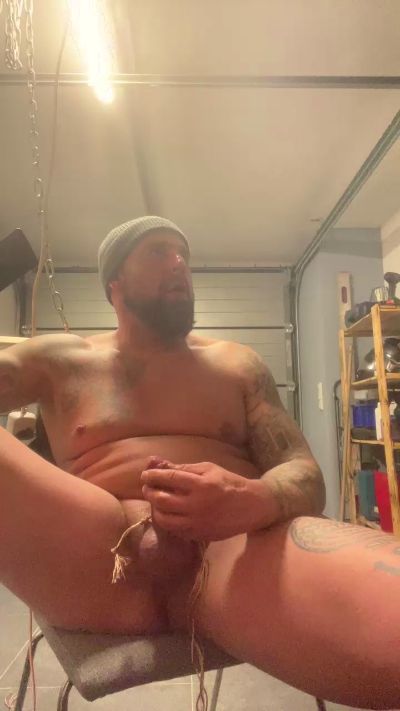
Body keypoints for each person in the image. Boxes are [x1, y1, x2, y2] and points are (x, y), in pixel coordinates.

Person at [0, 215, 398, 709]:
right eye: (157, 252)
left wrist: (256, 497)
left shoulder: (236, 363)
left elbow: (304, 472)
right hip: (96, 552)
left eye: (182, 255)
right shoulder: (59, 359)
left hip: (227, 551)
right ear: (114, 282)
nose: (178, 263)